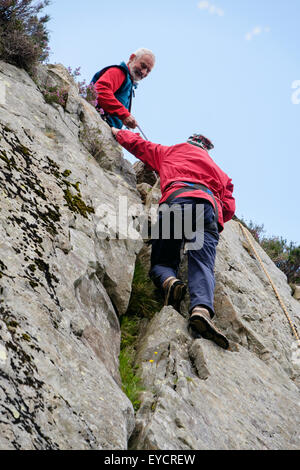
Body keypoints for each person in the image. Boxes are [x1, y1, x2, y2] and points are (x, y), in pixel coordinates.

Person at [111, 128, 235, 350]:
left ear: (188, 142)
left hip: (178, 200)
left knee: (162, 260)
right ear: (206, 150)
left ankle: (170, 281)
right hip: (208, 210)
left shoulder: (170, 152)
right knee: (203, 263)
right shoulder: (221, 173)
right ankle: (201, 310)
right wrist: (216, 222)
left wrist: (116, 131)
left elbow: (138, 145)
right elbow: (229, 206)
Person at [91, 48, 155, 130]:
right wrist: (124, 114)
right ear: (132, 58)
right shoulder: (118, 72)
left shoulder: (128, 83)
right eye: (143, 66)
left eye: (148, 71)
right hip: (98, 122)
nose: (143, 72)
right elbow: (99, 90)